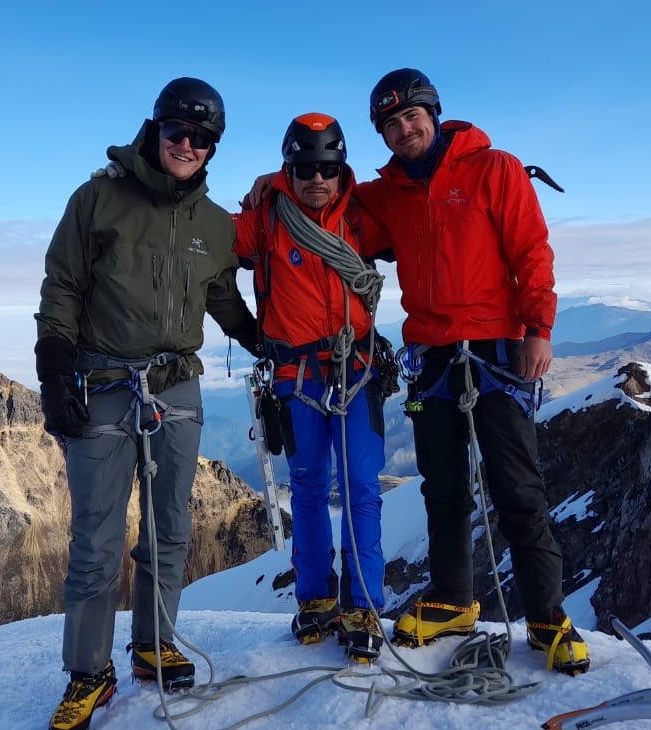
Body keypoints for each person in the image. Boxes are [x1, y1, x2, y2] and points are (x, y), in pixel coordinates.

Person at [35, 76, 259, 730]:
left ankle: (153, 644)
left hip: (177, 385)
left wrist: (259, 338)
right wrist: (55, 373)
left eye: (202, 138)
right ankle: (87, 671)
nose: (188, 145)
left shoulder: (215, 225)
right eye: (177, 132)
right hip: (103, 381)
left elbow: (221, 297)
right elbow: (62, 288)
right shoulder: (98, 200)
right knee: (96, 537)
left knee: (170, 528)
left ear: (213, 147)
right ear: (155, 129)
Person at [355, 68, 589, 674]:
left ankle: (546, 617)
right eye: (391, 124)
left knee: (518, 488)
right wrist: (270, 183)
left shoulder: (494, 169)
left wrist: (539, 329)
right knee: (443, 488)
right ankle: (454, 601)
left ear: (434, 114)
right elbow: (323, 199)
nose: (404, 130)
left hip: (497, 351)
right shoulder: (387, 193)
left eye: (412, 116)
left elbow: (531, 250)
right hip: (432, 355)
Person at [234, 113, 391, 662]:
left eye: (327, 168)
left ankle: (362, 604)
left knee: (360, 485)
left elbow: (423, 215)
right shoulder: (265, 219)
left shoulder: (364, 215)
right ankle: (317, 598)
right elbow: (199, 236)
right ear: (289, 170)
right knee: (307, 485)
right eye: (304, 169)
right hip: (297, 375)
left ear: (341, 167)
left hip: (356, 369)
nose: (317, 179)